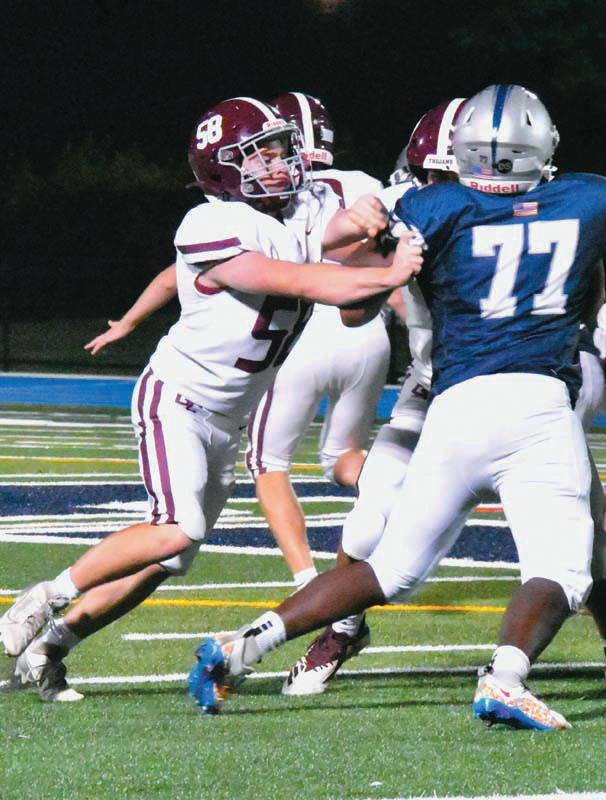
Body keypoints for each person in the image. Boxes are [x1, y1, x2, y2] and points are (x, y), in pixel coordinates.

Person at [190, 84, 606, 730]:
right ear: (543, 145)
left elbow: (353, 301)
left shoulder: (430, 206)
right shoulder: (588, 198)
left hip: (453, 406)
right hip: (537, 403)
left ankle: (245, 644)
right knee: (564, 567)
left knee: (390, 568)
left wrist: (384, 251)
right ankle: (504, 678)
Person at [0, 96, 421, 701]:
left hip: (228, 419)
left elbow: (340, 275)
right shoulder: (210, 223)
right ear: (224, 168)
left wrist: (370, 228)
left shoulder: (297, 214)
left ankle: (50, 648)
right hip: (178, 399)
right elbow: (302, 279)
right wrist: (389, 270)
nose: (279, 164)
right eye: (260, 155)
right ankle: (44, 599)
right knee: (176, 530)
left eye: (280, 150)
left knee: (169, 558)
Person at [282, 97, 467, 696]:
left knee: (576, 529)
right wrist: (384, 262)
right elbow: (353, 309)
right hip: (432, 386)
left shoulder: (538, 211)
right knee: (366, 526)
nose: (436, 190)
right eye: (430, 177)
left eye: (449, 177)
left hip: (525, 391)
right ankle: (342, 627)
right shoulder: (405, 208)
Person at [246, 91, 392, 591]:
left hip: (303, 329)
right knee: (343, 457)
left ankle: (308, 581)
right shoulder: (365, 184)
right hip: (368, 333)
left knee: (268, 463)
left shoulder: (274, 191)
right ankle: (398, 486)